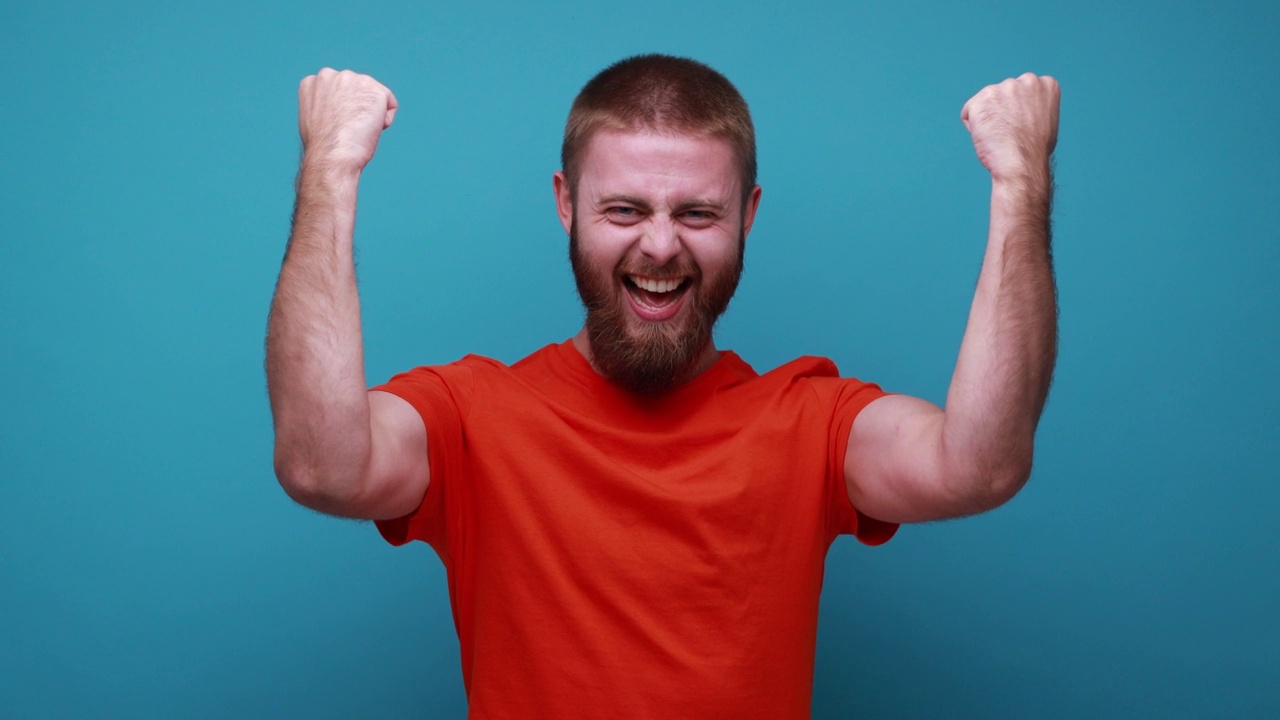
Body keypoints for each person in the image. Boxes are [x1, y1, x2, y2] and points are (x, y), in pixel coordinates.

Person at [266, 54, 1059, 718]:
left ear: (748, 216)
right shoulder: (473, 417)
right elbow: (321, 466)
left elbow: (979, 465)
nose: (659, 246)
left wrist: (1019, 185)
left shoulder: (811, 421)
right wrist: (330, 172)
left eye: (698, 214)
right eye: (623, 208)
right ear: (565, 205)